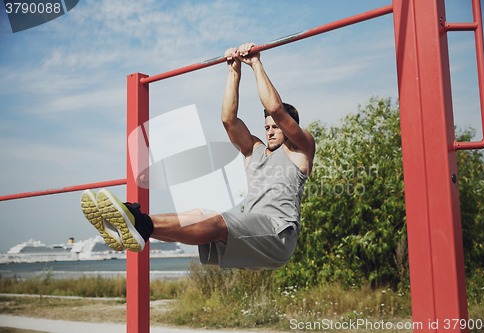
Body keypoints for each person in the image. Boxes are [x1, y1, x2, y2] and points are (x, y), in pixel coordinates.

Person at [80, 42, 315, 270]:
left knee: (217, 220)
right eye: (267, 127)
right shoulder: (254, 150)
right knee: (196, 215)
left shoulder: (300, 150)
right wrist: (234, 70)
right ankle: (136, 226)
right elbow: (228, 120)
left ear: (290, 127)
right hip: (253, 238)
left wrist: (255, 62)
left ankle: (137, 221)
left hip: (278, 236)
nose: (271, 130)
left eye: (276, 126)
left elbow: (275, 108)